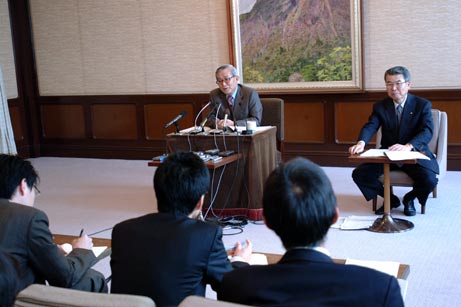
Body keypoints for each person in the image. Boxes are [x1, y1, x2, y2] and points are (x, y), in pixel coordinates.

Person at [218, 157, 404, 307]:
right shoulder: (381, 289)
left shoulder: (235, 285)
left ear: (266, 220)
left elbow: (235, 282)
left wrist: (238, 263)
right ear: (334, 216)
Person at [110, 151, 252, 307]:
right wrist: (239, 260)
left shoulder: (121, 231)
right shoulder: (206, 235)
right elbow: (230, 287)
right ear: (200, 201)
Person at [0, 154, 107, 293]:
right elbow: (65, 277)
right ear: (23, 185)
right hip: (16, 299)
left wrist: (47, 251)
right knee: (94, 279)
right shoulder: (29, 217)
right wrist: (81, 250)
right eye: (35, 190)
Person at [349, 66, 439, 216]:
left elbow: (427, 131)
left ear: (408, 84)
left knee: (429, 180)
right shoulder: (380, 106)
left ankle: (409, 199)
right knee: (359, 174)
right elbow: (371, 125)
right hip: (388, 154)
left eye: (398, 83)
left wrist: (408, 146)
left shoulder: (422, 105)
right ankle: (391, 200)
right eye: (389, 84)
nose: (393, 88)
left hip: (413, 153)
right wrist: (361, 143)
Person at [206, 64, 263, 129]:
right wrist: (217, 123)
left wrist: (234, 124)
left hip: (245, 136)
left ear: (236, 79)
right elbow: (210, 118)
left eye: (227, 79)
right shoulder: (214, 94)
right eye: (220, 81)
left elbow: (256, 120)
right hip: (223, 136)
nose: (223, 84)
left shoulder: (250, 94)